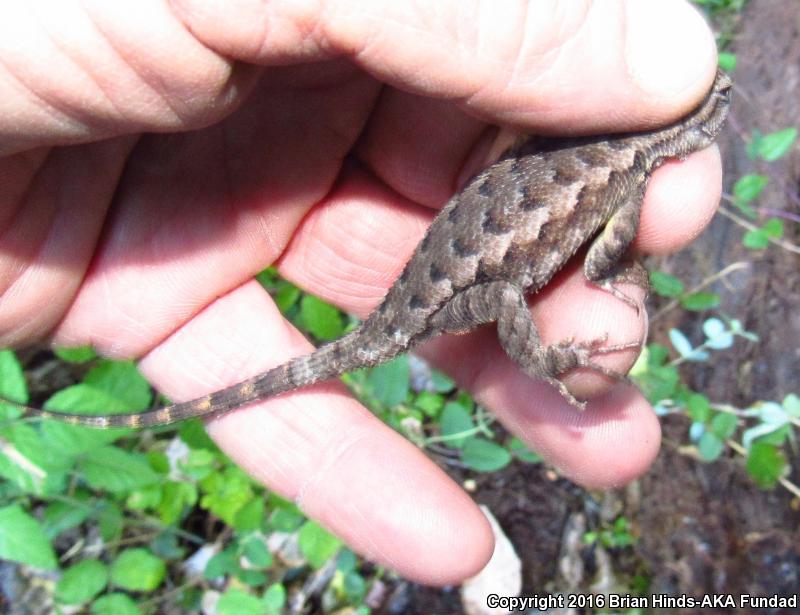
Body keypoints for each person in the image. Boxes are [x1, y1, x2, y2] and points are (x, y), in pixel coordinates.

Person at [0, 0, 723, 585]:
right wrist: (591, 299)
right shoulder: (625, 173)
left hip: (454, 247)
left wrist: (603, 264)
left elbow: (568, 219)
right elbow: (598, 262)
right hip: (462, 279)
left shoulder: (616, 158)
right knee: (508, 297)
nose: (711, 114)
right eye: (704, 115)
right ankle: (542, 366)